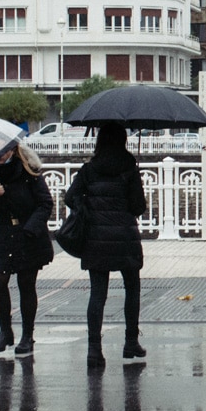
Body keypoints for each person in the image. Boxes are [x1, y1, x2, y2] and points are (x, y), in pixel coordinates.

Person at [65, 122, 147, 369]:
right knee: (132, 288)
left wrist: (88, 209)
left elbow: (70, 197)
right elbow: (138, 208)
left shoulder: (89, 169)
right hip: (124, 237)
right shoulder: (129, 168)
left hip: (96, 238)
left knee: (97, 293)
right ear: (123, 140)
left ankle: (94, 350)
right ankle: (130, 343)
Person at [0, 142, 54, 355]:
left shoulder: (28, 170)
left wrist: (31, 228)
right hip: (3, 232)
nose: (0, 156)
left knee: (26, 283)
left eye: (4, 152)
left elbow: (45, 203)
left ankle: (27, 335)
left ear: (12, 150)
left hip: (27, 233)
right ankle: (5, 331)